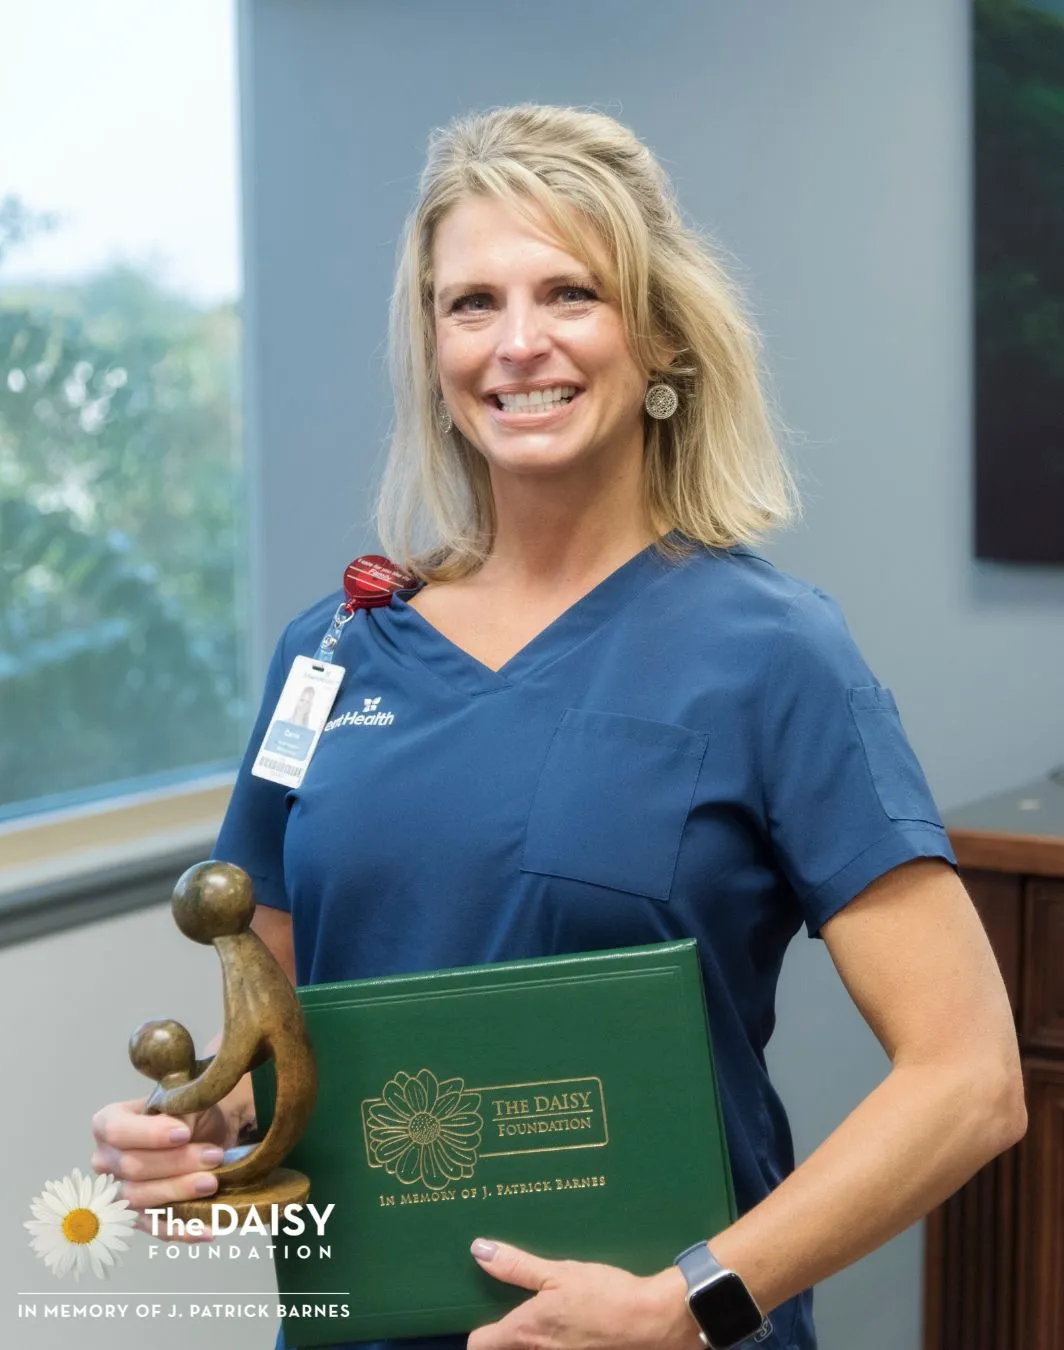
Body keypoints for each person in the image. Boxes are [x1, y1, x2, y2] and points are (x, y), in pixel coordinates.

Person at [91, 104, 1025, 1350]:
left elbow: (970, 1080)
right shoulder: (332, 652)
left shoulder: (774, 653)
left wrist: (690, 1302)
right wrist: (204, 1133)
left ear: (661, 336)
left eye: (571, 293)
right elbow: (283, 1045)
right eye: (471, 304)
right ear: (433, 347)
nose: (518, 344)